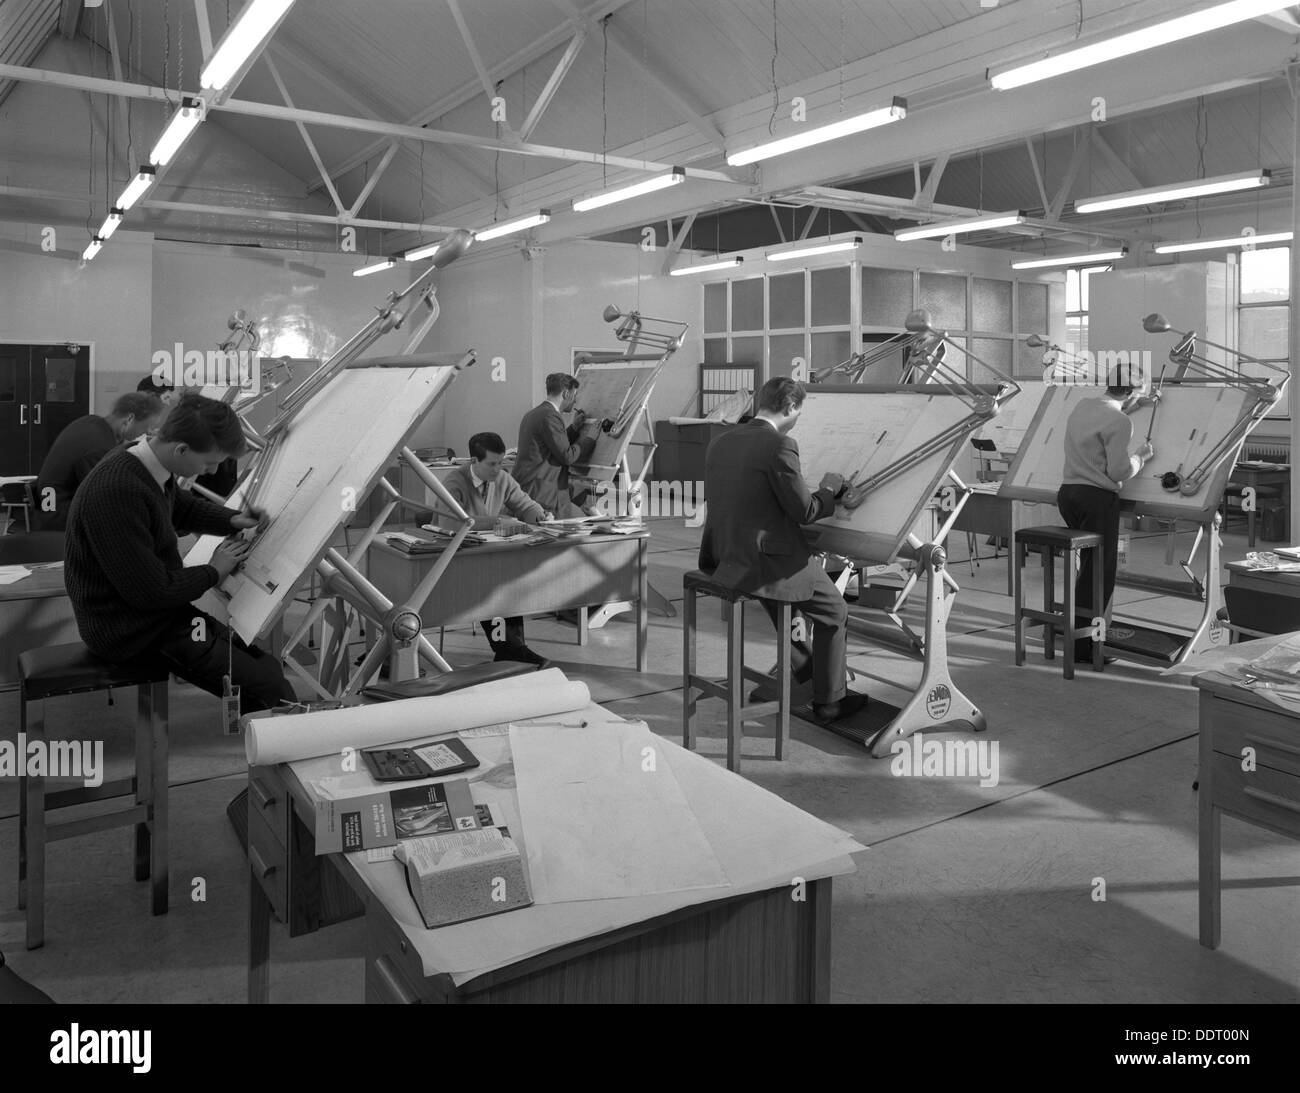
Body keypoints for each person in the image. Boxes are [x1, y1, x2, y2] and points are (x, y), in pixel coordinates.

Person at [64, 393, 296, 714]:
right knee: (270, 689)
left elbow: (178, 506)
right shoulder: (118, 490)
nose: (213, 471)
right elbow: (152, 593)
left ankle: (264, 721)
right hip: (130, 631)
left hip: (158, 616)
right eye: (209, 462)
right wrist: (215, 570)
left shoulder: (145, 462)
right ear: (181, 449)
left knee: (264, 664)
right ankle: (274, 748)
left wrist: (231, 519)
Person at [699, 376, 868, 724]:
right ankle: (830, 701)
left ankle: (806, 668)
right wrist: (828, 491)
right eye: (799, 412)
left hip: (729, 557)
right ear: (790, 407)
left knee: (784, 603)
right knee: (834, 611)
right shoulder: (779, 445)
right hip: (769, 561)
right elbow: (804, 512)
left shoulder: (721, 441)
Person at [1058, 366, 1157, 663]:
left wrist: (1139, 404)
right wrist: (1142, 456)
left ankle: (1077, 635)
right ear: (1129, 392)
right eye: (1136, 394)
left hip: (1069, 494)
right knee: (1100, 574)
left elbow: (1109, 415)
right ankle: (1085, 648)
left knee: (1087, 569)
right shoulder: (1120, 421)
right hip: (1096, 498)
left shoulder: (1083, 405)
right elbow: (1118, 470)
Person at [444, 431, 552, 666]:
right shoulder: (453, 482)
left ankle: (512, 651)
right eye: (492, 464)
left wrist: (541, 516)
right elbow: (451, 523)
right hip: (457, 560)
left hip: (489, 557)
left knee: (509, 579)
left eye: (500, 463)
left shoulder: (501, 478)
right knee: (491, 584)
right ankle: (512, 651)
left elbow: (524, 504)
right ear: (474, 462)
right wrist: (498, 521)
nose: (497, 469)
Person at [35, 391, 163, 531]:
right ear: (129, 419)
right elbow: (105, 495)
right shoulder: (98, 447)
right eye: (146, 427)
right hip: (59, 517)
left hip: (51, 506)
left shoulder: (92, 422)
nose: (148, 432)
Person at [515, 372, 601, 518]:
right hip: (541, 492)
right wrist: (589, 440)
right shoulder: (550, 416)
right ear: (566, 393)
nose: (575, 402)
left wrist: (574, 428)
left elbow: (552, 444)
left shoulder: (534, 413)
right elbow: (567, 456)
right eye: (574, 396)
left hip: (531, 487)